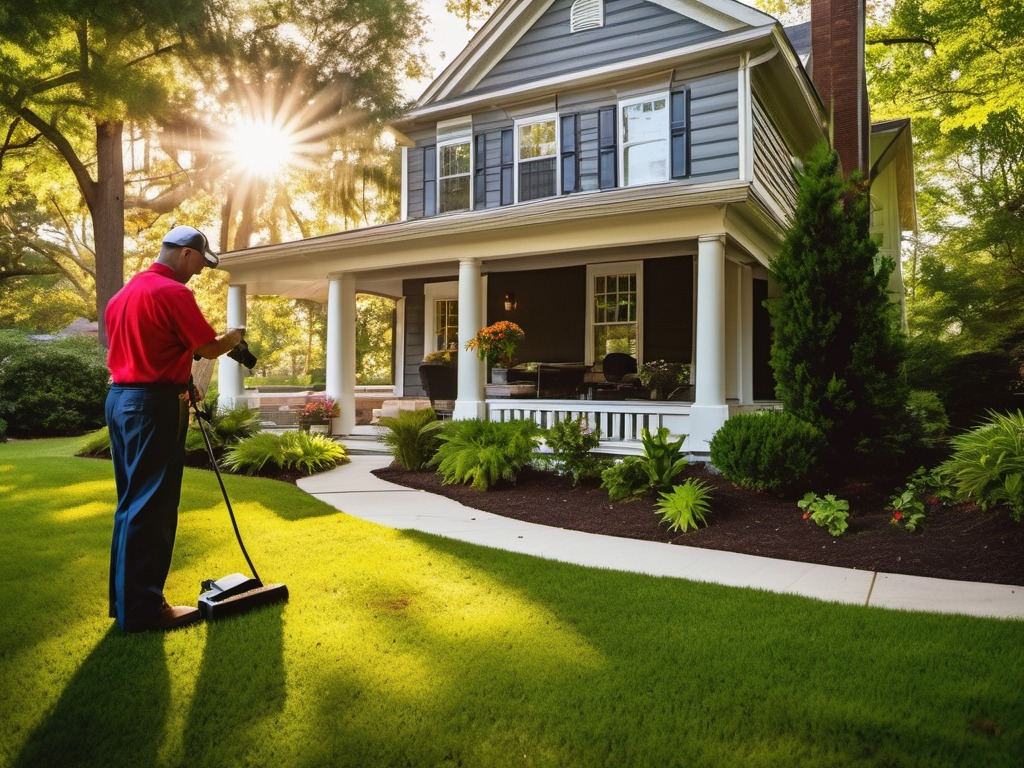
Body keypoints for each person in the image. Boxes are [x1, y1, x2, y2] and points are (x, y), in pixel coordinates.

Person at [104, 225, 244, 632]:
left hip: (121, 399)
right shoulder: (173, 293)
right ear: (185, 253)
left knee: (131, 503)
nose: (200, 271)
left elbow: (151, 348)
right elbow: (207, 347)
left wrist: (179, 377)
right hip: (153, 406)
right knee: (154, 506)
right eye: (201, 262)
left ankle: (126, 605)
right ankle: (146, 610)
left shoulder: (123, 295)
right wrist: (233, 337)